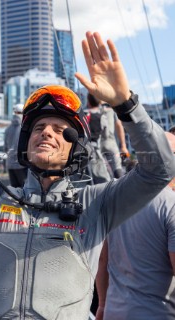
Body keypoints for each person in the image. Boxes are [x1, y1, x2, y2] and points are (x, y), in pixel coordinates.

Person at [0, 11, 175, 319]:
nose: (46, 132)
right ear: (26, 142)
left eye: (60, 130)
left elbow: (160, 170)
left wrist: (126, 103)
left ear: (76, 150)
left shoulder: (97, 204)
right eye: (40, 126)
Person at [95, 132, 175, 320]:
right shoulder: (171, 204)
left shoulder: (114, 197)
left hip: (114, 312)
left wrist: (102, 305)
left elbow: (102, 260)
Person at [86, 93, 111, 184]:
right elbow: (106, 135)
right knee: (102, 176)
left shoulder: (84, 115)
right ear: (99, 102)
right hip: (96, 150)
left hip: (82, 150)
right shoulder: (102, 117)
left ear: (88, 102)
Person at [100, 102, 129, 178]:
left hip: (97, 144)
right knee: (117, 168)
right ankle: (120, 186)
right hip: (110, 142)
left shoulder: (89, 111)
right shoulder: (112, 110)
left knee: (100, 171)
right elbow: (119, 126)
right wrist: (123, 146)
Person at [4, 103, 27, 187]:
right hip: (22, 165)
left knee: (15, 192)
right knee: (25, 191)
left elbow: (5, 147)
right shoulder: (25, 127)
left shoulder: (8, 129)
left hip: (10, 164)